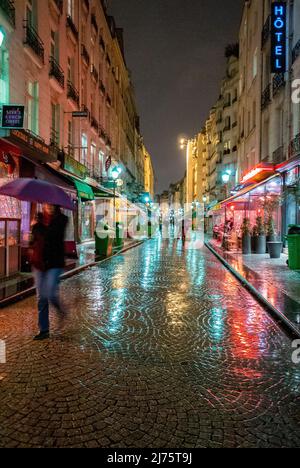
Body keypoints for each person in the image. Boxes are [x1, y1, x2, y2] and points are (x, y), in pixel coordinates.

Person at [33, 205, 68, 341]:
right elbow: (34, 240)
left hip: (54, 263)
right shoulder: (39, 221)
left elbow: (54, 236)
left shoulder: (62, 220)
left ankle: (61, 311)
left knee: (50, 294)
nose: (49, 207)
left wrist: (41, 225)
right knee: (41, 298)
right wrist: (36, 226)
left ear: (57, 205)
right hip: (39, 263)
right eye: (47, 204)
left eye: (52, 204)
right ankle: (44, 329)